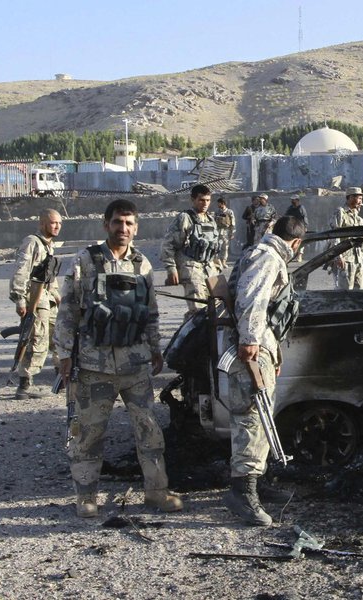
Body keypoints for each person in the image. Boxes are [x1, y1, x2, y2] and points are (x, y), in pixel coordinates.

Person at [55, 199, 182, 518]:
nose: (122, 228)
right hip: (94, 365)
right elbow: (68, 309)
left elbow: (150, 313)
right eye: (117, 222)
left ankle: (156, 492)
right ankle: (86, 496)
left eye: (128, 223)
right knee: (89, 432)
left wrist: (155, 349)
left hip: (135, 365)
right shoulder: (86, 260)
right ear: (106, 225)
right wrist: (63, 354)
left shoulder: (142, 265)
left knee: (149, 430)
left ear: (136, 227)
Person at [224, 216, 305, 526]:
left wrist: (272, 351)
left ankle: (257, 479)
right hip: (252, 348)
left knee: (262, 415)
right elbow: (252, 299)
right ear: (295, 243)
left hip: (261, 346)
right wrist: (249, 341)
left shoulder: (259, 252)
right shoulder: (268, 257)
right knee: (250, 416)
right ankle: (241, 492)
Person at [9, 209, 62, 399]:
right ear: (42, 224)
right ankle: (25, 384)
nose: (57, 226)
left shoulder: (49, 246)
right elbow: (21, 271)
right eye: (53, 222)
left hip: (48, 299)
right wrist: (20, 299)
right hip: (35, 301)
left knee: (59, 337)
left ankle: (61, 377)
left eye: (59, 223)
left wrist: (57, 294)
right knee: (36, 340)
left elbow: (48, 275)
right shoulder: (32, 242)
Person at [161, 184, 220, 318]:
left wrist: (217, 266)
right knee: (198, 311)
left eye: (208, 200)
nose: (205, 204)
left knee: (215, 309)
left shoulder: (211, 220)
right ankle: (190, 337)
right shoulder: (185, 218)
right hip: (192, 268)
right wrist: (171, 268)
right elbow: (168, 244)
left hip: (209, 268)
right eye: (201, 200)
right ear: (192, 200)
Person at [328, 187, 363, 290]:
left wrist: (362, 255)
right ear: (350, 198)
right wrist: (339, 256)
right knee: (345, 292)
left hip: (358, 261)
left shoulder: (360, 220)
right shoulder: (340, 212)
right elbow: (334, 235)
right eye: (358, 198)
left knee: (360, 292)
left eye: (361, 198)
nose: (360, 201)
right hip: (345, 260)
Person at [213, 196, 236, 271]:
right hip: (218, 230)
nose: (218, 205)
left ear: (223, 204)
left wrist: (232, 232)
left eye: (219, 204)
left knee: (225, 247)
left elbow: (233, 223)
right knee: (216, 247)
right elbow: (214, 221)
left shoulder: (229, 212)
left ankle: (224, 261)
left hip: (226, 231)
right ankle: (217, 261)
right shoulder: (217, 212)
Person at [284, 195, 308, 262]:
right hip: (292, 226)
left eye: (293, 200)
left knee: (300, 240)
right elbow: (286, 216)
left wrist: (305, 226)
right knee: (292, 240)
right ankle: (292, 255)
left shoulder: (301, 208)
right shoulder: (290, 208)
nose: (292, 201)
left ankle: (300, 255)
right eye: (291, 200)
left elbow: (304, 217)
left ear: (297, 200)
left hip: (300, 226)